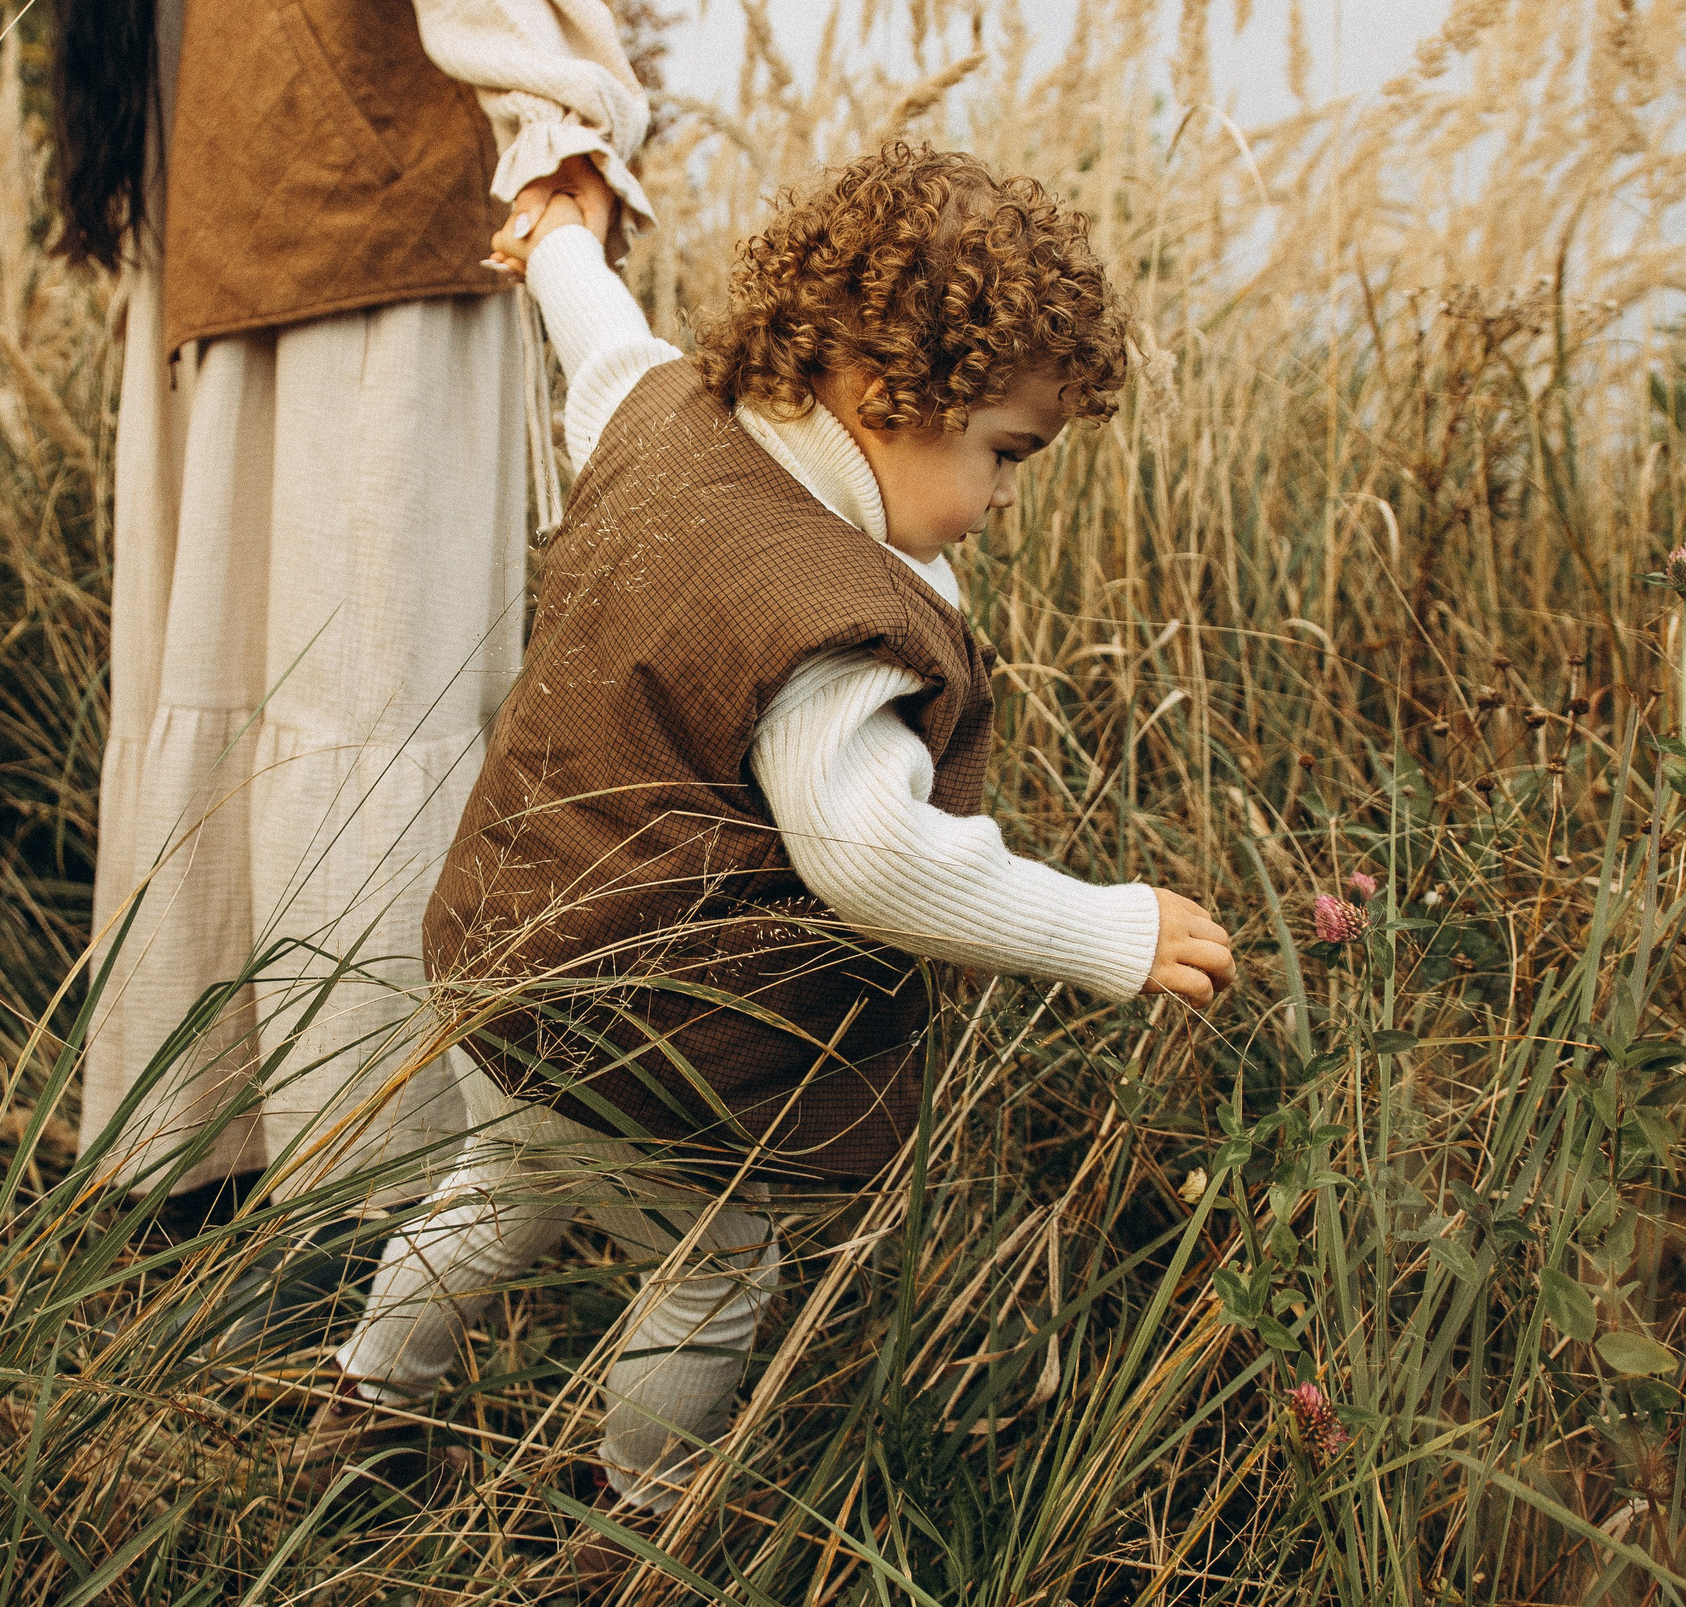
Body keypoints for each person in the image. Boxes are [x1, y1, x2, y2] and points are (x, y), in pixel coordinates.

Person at [289, 143, 1237, 1580]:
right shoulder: (828, 619)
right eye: (1003, 453)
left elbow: (598, 338)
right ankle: (632, 1525)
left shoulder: (665, 418)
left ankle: (360, 1405)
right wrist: (1103, 932)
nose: (1001, 499)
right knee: (716, 1266)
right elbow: (868, 852)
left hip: (513, 962)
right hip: (678, 1047)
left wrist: (555, 236)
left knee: (495, 1189)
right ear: (883, 401)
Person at [48, 0, 655, 1202]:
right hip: (355, 277)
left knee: (310, 709)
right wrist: (562, 129)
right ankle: (368, 1195)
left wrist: (555, 129)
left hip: (262, 267)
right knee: (372, 704)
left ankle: (246, 1167)